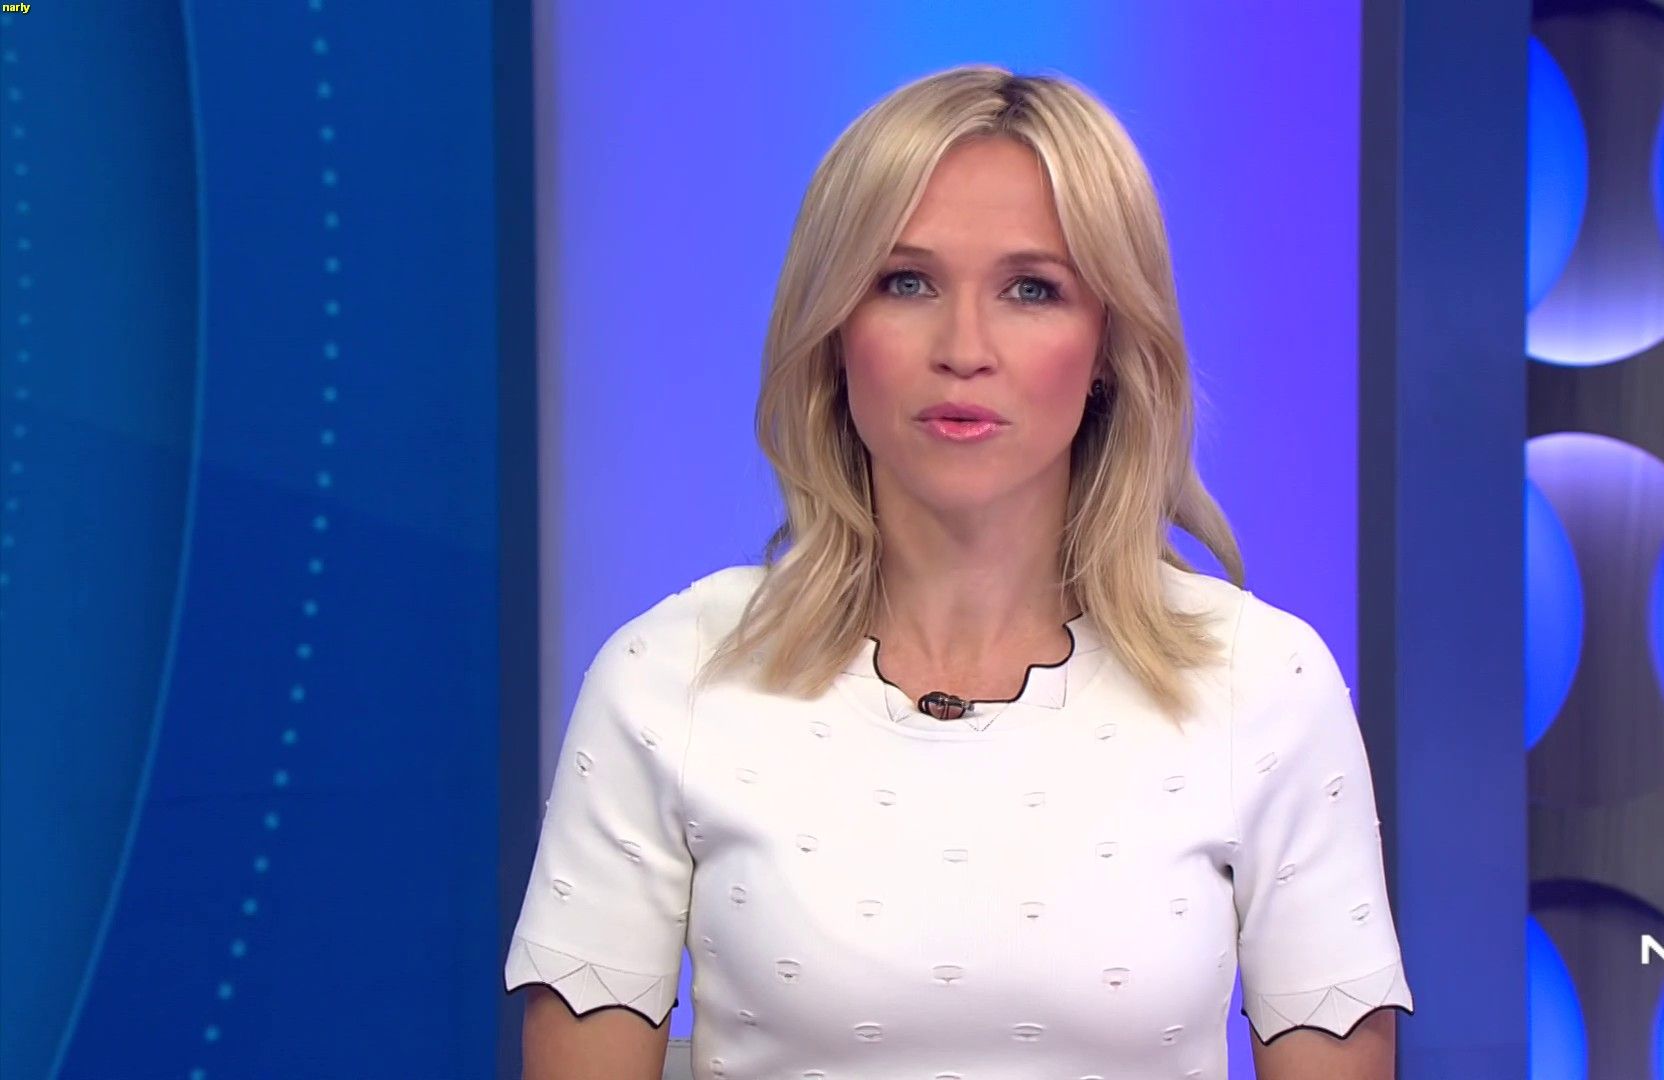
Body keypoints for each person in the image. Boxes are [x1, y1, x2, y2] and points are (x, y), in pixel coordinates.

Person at [505, 63, 1412, 1080]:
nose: (963, 347)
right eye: (906, 282)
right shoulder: (670, 676)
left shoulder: (1263, 683)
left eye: (1032, 289)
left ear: (1108, 344)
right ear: (833, 329)